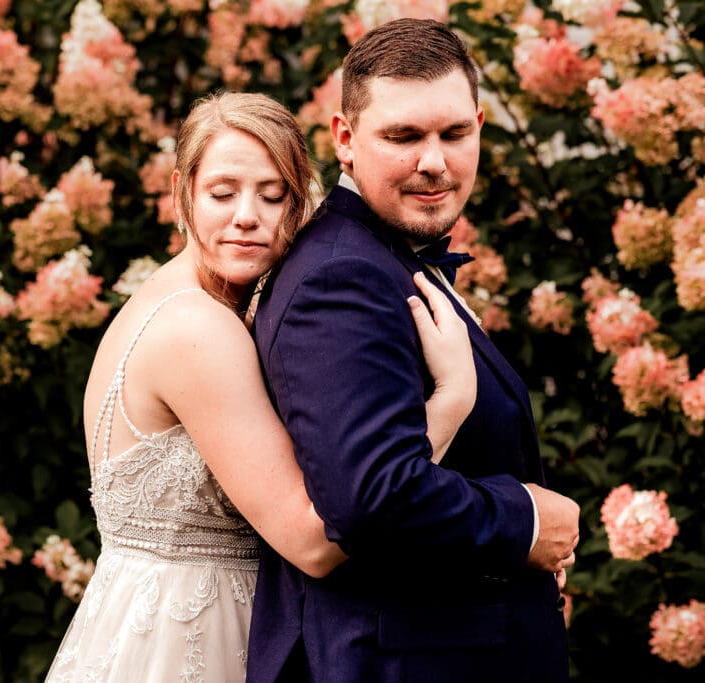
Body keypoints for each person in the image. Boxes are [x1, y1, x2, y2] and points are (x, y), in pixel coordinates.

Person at [43, 91, 478, 681]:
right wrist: (451, 400)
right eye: (222, 194)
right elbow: (314, 541)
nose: (247, 215)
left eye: (273, 196)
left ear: (300, 205)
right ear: (182, 193)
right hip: (189, 637)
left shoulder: (195, 303)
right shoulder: (197, 328)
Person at [247, 18, 581, 683]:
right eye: (403, 136)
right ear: (345, 139)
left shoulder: (388, 256)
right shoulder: (342, 277)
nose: (434, 161)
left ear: (479, 126)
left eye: (454, 134)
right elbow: (369, 497)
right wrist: (524, 521)